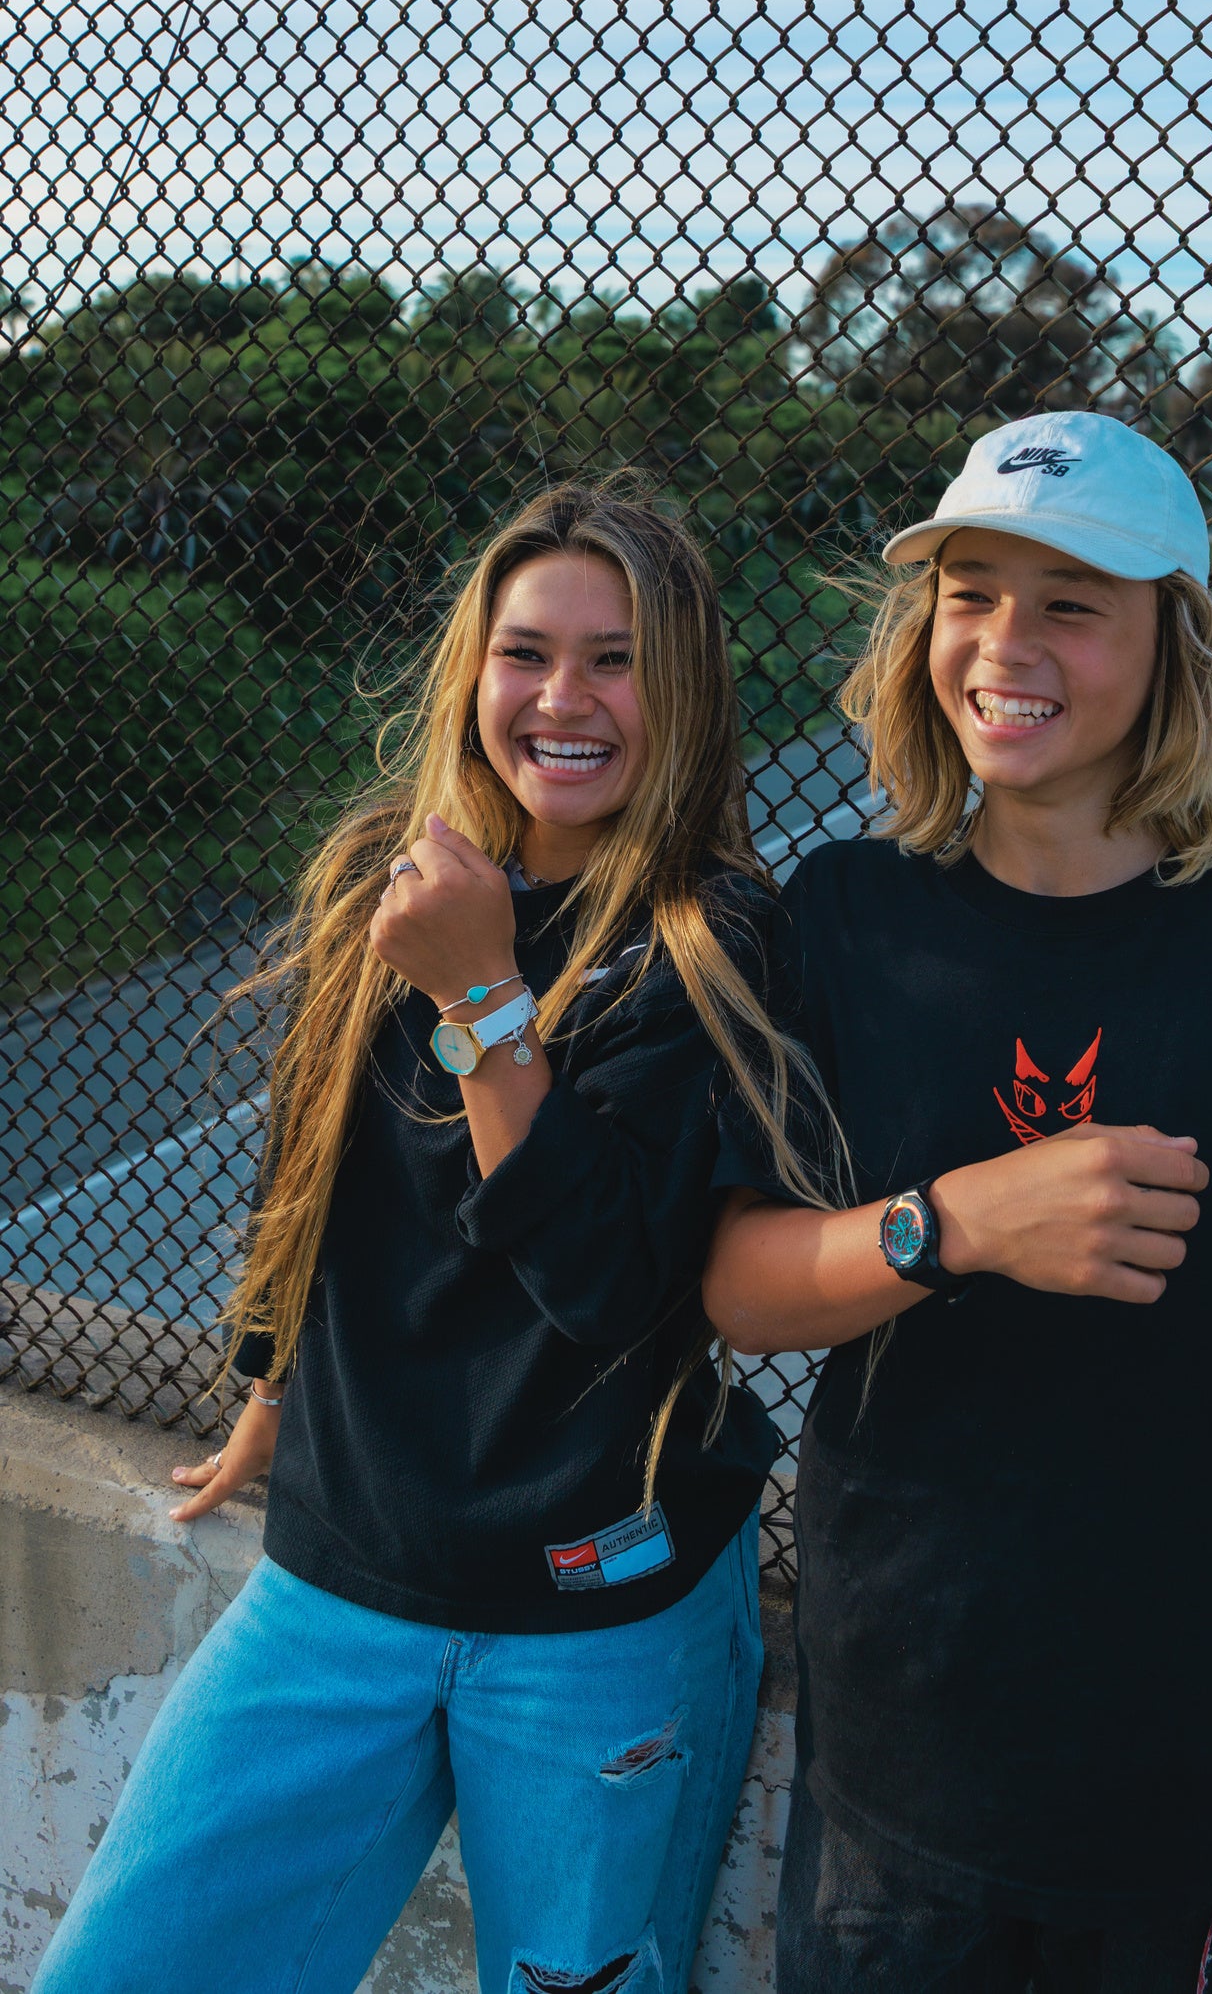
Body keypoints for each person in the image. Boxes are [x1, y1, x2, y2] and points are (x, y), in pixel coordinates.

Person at [704, 411, 1212, 1994]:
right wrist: (955, 1224)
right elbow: (739, 1285)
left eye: (1070, 604)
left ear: (1169, 646)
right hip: (900, 1764)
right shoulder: (846, 915)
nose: (1006, 643)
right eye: (969, 595)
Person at [36, 481, 821, 1994]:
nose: (564, 699)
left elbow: (605, 1286)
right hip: (340, 1581)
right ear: (474, 671)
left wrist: (482, 996)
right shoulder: (384, 879)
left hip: (599, 1614)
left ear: (681, 688)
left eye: (615, 660)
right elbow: (308, 1168)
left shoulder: (713, 938)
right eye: (527, 653)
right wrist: (268, 1382)